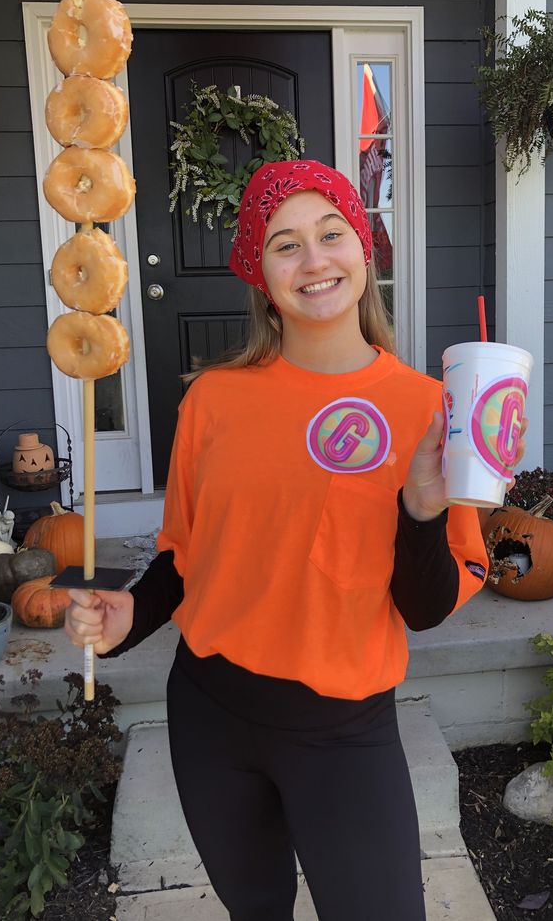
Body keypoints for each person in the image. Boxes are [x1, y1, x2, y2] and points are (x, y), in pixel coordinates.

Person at [65, 159, 525, 921]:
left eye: (331, 233)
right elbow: (186, 553)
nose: (314, 260)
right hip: (211, 714)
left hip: (343, 731)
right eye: (285, 244)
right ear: (261, 274)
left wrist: (418, 509)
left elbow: (428, 606)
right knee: (257, 909)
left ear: (363, 250)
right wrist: (129, 616)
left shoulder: (430, 409)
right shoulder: (213, 399)